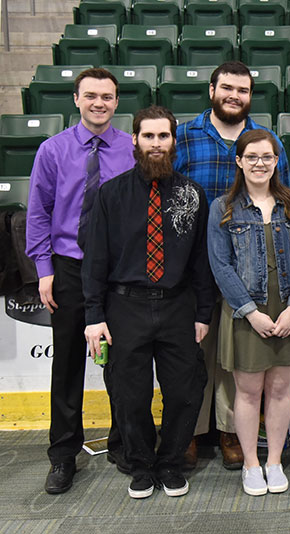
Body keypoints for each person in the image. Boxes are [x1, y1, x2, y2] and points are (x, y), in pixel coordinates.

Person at [82, 106, 215, 499]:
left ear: (174, 141)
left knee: (185, 391)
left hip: (178, 306)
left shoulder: (192, 194)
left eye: (164, 136)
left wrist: (203, 313)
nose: (156, 144)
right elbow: (95, 260)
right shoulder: (110, 194)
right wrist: (94, 315)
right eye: (148, 136)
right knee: (130, 393)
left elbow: (201, 263)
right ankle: (139, 465)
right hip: (126, 308)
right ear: (135, 140)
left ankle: (171, 463)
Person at [174, 60, 290, 470]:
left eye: (242, 90)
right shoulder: (185, 137)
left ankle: (229, 433)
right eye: (227, 88)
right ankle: (188, 431)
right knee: (193, 351)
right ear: (212, 90)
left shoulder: (266, 140)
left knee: (236, 356)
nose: (234, 96)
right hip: (192, 263)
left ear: (249, 96)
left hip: (249, 266)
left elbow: (285, 199)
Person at [26, 67, 135, 494]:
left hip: (118, 270)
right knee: (68, 363)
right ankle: (62, 455)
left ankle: (124, 444)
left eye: (107, 97)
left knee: (123, 363)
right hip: (70, 266)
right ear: (76, 99)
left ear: (116, 102)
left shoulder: (130, 149)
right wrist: (44, 270)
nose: (99, 103)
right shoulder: (52, 151)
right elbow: (38, 212)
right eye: (91, 95)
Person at [207, 129, 290, 496]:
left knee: (281, 389)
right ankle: (252, 464)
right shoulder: (222, 207)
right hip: (244, 313)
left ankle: (274, 462)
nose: (259, 163)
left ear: (276, 161)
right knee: (249, 391)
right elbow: (221, 267)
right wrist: (251, 312)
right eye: (251, 157)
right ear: (239, 161)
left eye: (266, 157)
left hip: (287, 311)